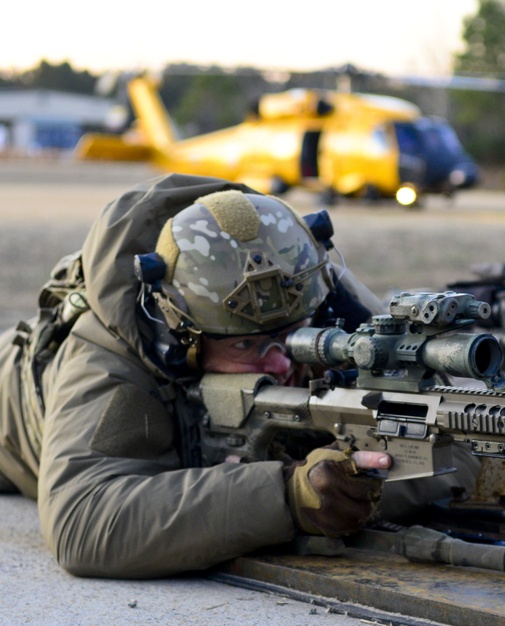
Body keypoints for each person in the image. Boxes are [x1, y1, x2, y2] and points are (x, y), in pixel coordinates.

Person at [0, 173, 478, 578]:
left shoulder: (310, 283)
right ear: (184, 336)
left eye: (295, 335)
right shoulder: (113, 349)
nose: (281, 362)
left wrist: (346, 484)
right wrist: (287, 496)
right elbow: (84, 523)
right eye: (247, 345)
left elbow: (457, 441)